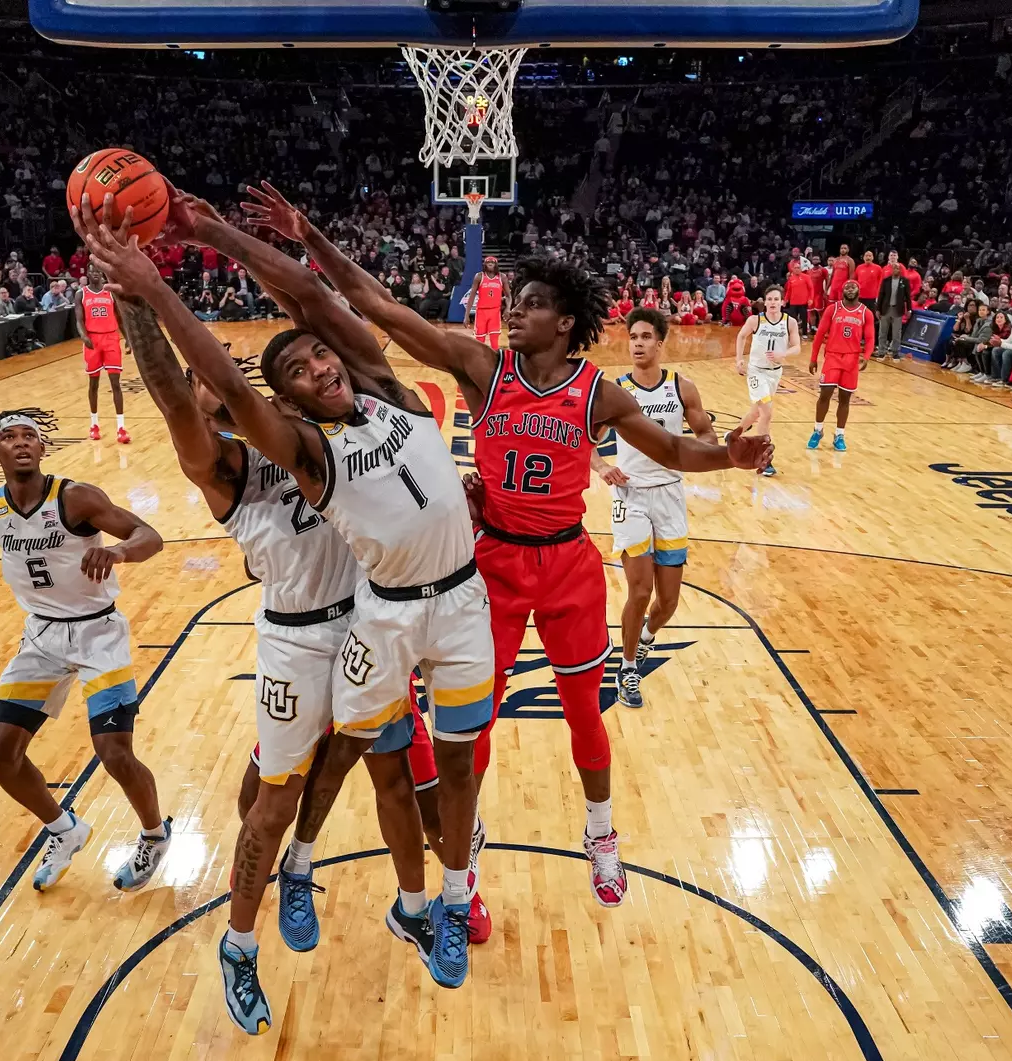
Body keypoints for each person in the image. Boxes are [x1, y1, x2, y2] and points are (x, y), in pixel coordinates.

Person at [237, 181, 770, 918]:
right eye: (513, 299)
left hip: (568, 562)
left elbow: (676, 448)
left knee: (586, 708)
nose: (514, 309)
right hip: (492, 564)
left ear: (568, 321)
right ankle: (468, 852)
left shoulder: (597, 393)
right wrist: (312, 238)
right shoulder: (483, 371)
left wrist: (732, 460)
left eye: (532, 302)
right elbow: (381, 307)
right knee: (471, 723)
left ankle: (602, 832)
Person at [76, 188, 495, 1000]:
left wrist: (220, 235)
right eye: (214, 384)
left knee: (384, 775)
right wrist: (139, 295)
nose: (215, 386)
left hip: (382, 619)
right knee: (271, 791)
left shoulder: (354, 403)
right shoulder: (245, 460)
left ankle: (400, 896)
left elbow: (313, 308)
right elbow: (185, 388)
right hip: (306, 634)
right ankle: (250, 927)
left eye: (302, 366)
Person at [0, 409, 172, 894]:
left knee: (114, 754)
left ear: (43, 450)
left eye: (30, 437)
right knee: (0, 755)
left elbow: (150, 535)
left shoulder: (76, 497)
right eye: (8, 437)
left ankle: (155, 835)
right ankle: (65, 830)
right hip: (41, 637)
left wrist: (119, 552)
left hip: (98, 633)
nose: (20, 443)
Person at [592, 308, 716, 709]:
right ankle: (627, 667)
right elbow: (583, 437)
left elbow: (705, 434)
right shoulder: (617, 391)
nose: (639, 343)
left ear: (660, 343)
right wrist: (603, 467)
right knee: (640, 589)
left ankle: (644, 640)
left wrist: (727, 449)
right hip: (630, 496)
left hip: (670, 495)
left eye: (646, 337)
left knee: (668, 603)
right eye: (634, 337)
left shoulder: (683, 388)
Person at [735, 286, 800, 476]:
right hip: (756, 372)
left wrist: (784, 353)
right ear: (765, 302)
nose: (772, 302)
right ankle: (763, 458)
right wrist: (739, 359)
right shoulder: (756, 320)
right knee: (767, 413)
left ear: (782, 302)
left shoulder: (790, 322)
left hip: (774, 373)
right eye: (769, 299)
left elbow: (797, 347)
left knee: (755, 413)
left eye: (775, 299)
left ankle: (733, 436)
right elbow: (741, 336)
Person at [807, 281, 874, 449]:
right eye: (847, 287)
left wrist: (866, 356)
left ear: (859, 290)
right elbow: (820, 333)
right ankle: (818, 429)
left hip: (851, 359)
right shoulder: (833, 309)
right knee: (825, 393)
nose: (850, 290)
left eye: (853, 287)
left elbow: (871, 338)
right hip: (833, 356)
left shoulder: (866, 312)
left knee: (845, 398)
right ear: (842, 290)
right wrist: (813, 357)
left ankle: (839, 435)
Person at [76, 266, 128, 443]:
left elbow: (120, 317)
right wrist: (83, 335)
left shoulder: (110, 292)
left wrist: (128, 338)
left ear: (102, 274)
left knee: (116, 384)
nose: (96, 273)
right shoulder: (81, 294)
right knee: (93, 384)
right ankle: (94, 424)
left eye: (98, 271)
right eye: (92, 271)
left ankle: (121, 428)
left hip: (111, 338)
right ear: (88, 274)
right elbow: (79, 319)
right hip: (93, 340)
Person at [464, 256, 508, 351]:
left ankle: (495, 363)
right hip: (481, 312)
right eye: (488, 262)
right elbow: (471, 296)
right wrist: (466, 315)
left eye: (492, 262)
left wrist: (508, 309)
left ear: (496, 265)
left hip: (495, 312)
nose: (490, 264)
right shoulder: (479, 276)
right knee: (480, 341)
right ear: (484, 265)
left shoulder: (502, 277)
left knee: (494, 342)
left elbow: (509, 296)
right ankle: (480, 361)